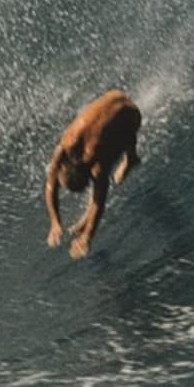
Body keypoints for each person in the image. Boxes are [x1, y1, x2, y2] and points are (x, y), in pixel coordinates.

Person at [45, 89, 143, 259]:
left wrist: (87, 238)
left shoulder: (98, 162)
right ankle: (85, 219)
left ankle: (130, 159)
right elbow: (51, 184)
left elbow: (99, 202)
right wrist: (55, 221)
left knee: (117, 142)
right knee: (111, 132)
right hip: (115, 94)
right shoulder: (68, 142)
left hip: (133, 115)